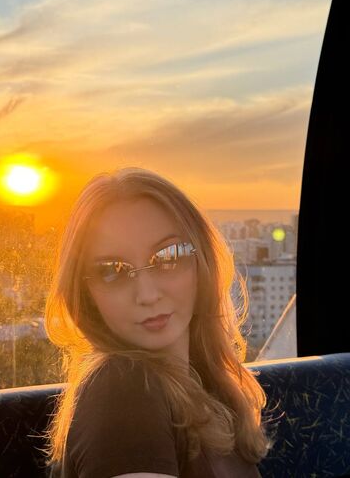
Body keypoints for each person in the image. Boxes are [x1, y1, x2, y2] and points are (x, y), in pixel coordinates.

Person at [42, 166, 272, 478]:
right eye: (112, 271)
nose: (147, 295)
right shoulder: (123, 388)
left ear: (201, 261)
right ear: (87, 294)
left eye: (168, 257)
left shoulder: (209, 385)